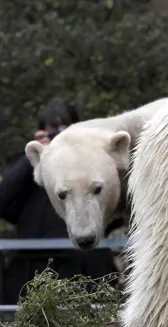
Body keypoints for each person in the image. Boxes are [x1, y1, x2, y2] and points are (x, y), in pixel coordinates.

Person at [0, 98, 119, 304]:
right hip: (33, 273)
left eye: (62, 130)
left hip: (85, 268)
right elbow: (3, 200)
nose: (57, 136)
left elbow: (115, 205)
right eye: (51, 130)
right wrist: (40, 156)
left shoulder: (94, 163)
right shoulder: (30, 168)